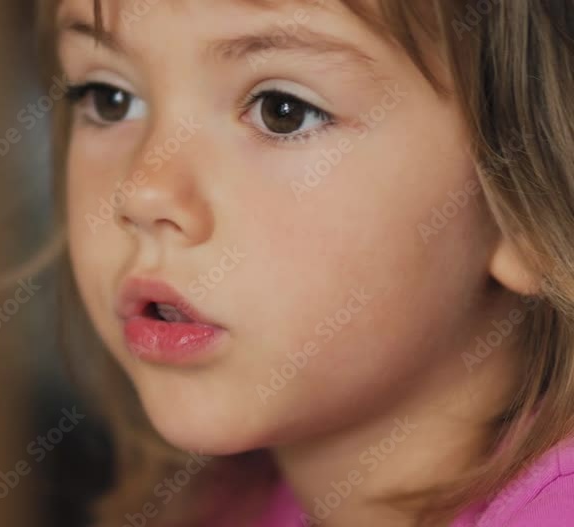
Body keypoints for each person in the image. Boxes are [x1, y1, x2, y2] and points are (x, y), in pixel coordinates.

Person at [38, 0, 574, 525]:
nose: (140, 193)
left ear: (527, 207)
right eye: (109, 99)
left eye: (281, 111)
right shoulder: (224, 499)